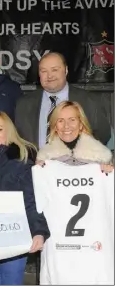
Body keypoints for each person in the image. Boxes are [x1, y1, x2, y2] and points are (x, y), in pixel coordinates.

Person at [33, 101, 114, 284]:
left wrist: (108, 173)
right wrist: (39, 173)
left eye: (72, 120)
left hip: (95, 248)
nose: (66, 126)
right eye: (60, 121)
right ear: (54, 126)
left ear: (81, 123)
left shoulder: (101, 158)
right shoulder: (44, 161)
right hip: (60, 248)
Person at [0, 111, 49, 285]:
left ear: (8, 132)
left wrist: (39, 231)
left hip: (12, 237)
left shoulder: (21, 162)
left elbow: (31, 200)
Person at [15, 52, 111, 149]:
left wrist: (78, 158)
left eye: (55, 70)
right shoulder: (23, 104)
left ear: (66, 70)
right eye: (44, 71)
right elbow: (17, 140)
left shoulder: (90, 101)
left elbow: (103, 135)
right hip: (35, 163)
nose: (49, 76)